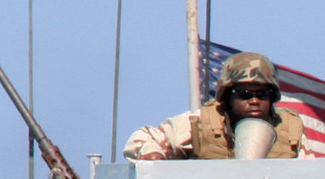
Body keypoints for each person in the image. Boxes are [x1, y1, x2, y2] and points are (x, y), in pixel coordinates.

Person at [124, 52, 310, 161]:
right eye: (245, 95)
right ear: (227, 97)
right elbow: (143, 138)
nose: (254, 101)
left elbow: (311, 178)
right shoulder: (200, 123)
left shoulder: (290, 130)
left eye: (262, 95)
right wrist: (153, 154)